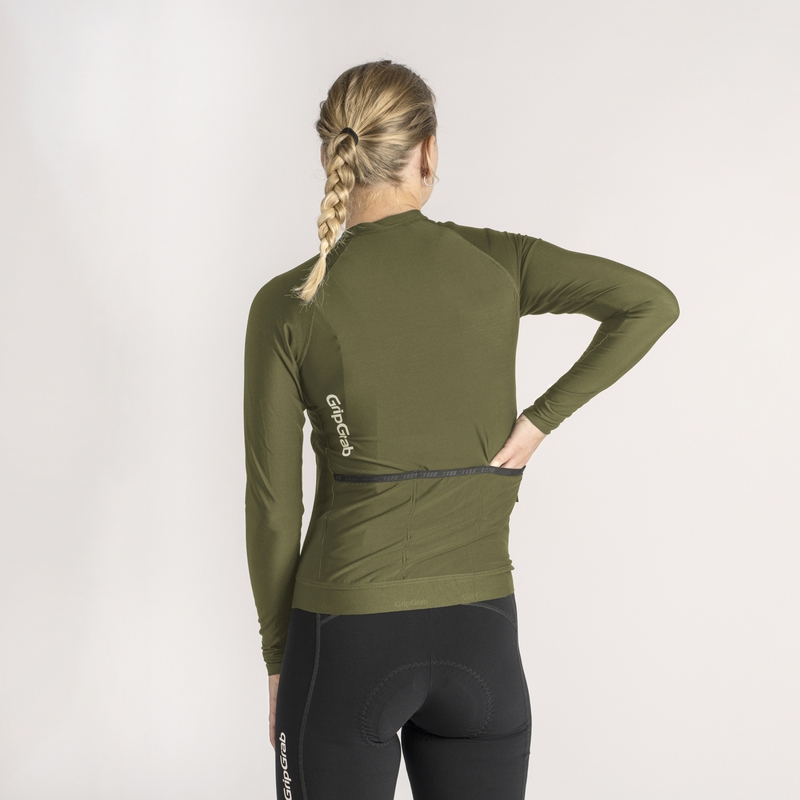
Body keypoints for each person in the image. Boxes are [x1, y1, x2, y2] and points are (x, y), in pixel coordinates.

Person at [243, 58, 680, 800]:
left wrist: (279, 659)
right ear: (428, 152)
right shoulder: (498, 260)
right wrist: (540, 421)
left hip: (347, 640)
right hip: (482, 643)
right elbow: (649, 303)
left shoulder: (289, 301)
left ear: (331, 155)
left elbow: (273, 508)